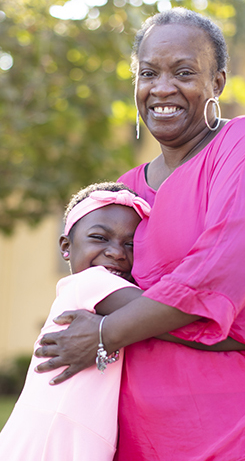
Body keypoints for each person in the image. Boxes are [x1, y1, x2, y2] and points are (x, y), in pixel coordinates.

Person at [34, 8, 245, 461]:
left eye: (184, 72)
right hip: (147, 439)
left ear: (217, 82)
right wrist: (110, 323)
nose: (162, 88)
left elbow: (223, 270)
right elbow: (100, 287)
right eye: (148, 72)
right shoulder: (126, 191)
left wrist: (107, 332)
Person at [0, 182, 150, 460]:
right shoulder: (92, 282)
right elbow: (166, 313)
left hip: (65, 432)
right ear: (66, 246)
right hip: (54, 436)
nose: (117, 252)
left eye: (130, 244)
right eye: (100, 238)